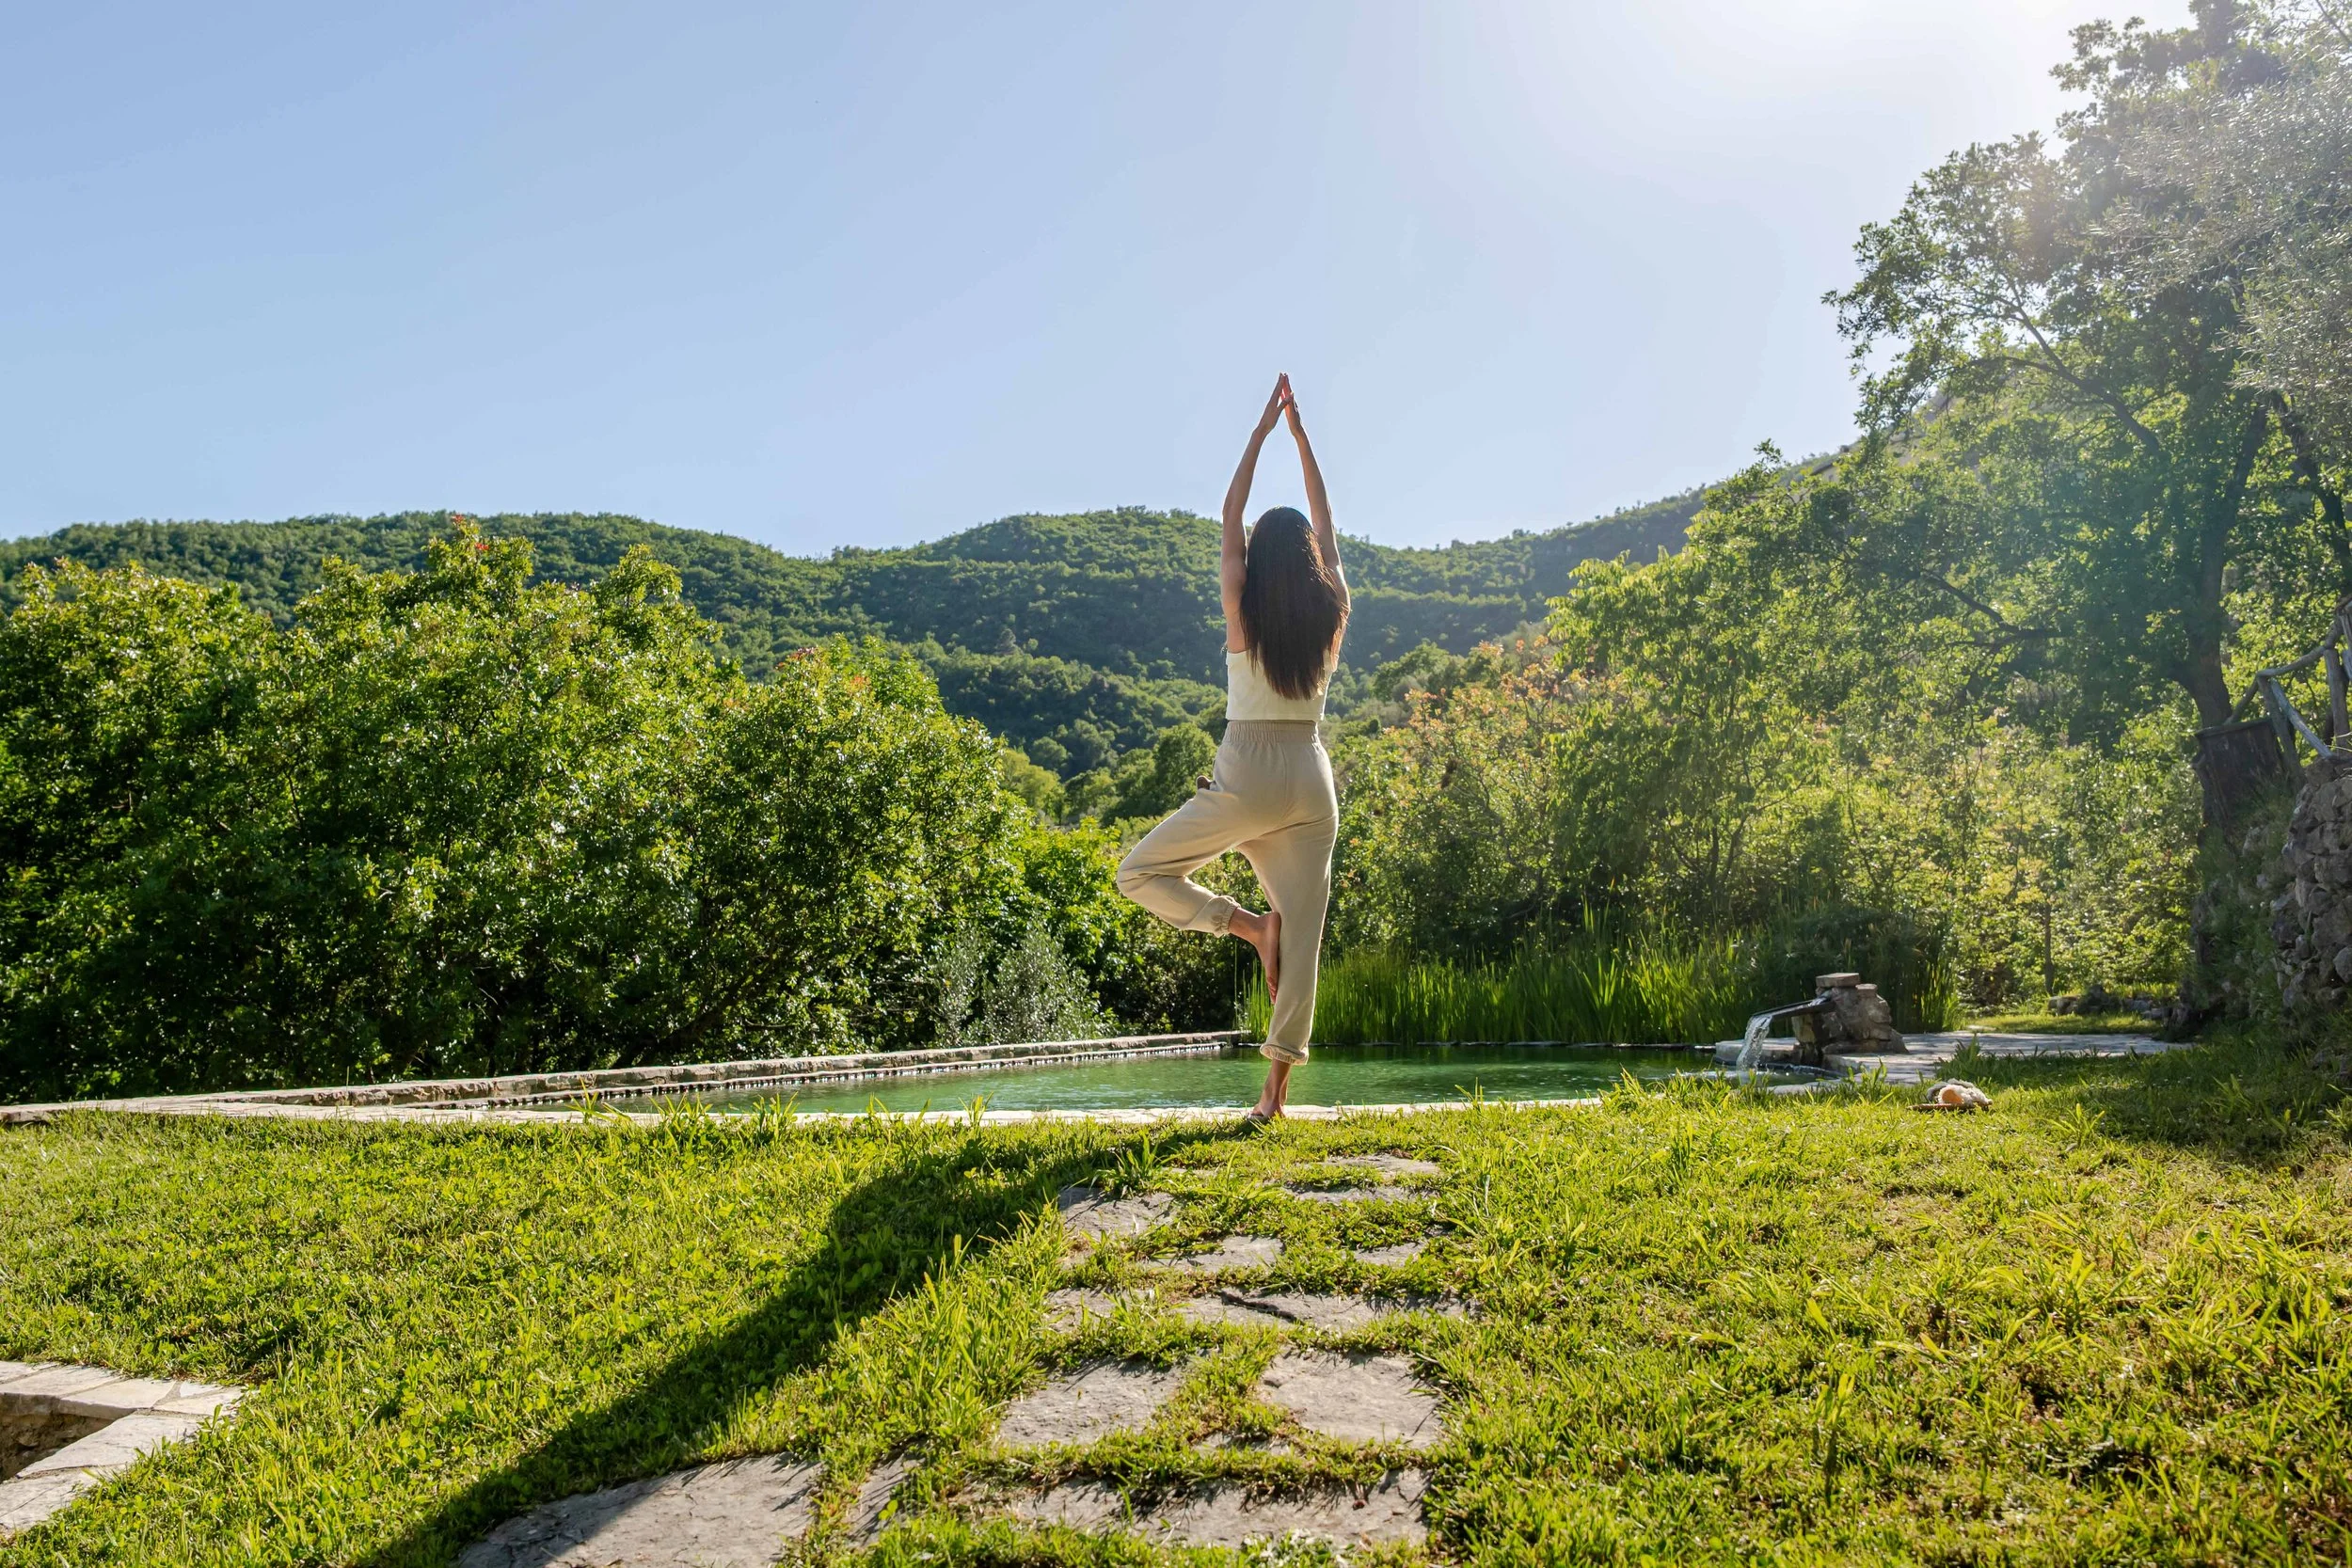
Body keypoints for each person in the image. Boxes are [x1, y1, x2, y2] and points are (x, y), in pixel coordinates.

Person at [1116, 374, 1347, 1120]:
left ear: (1256, 562)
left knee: (1139, 871)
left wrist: (1260, 434)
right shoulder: (1332, 614)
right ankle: (1272, 1096)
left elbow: (1229, 512)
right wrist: (1304, 441)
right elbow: (1329, 523)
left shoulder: (1240, 613)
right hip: (1310, 780)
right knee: (1305, 940)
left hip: (1246, 772)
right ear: (1310, 563)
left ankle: (1245, 923)